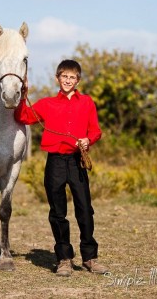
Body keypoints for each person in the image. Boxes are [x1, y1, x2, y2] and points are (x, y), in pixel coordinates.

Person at [14, 59, 109, 277]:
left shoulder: (87, 103)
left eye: (72, 77)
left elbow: (96, 130)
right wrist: (22, 93)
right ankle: (64, 259)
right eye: (64, 76)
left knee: (85, 209)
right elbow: (22, 116)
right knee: (58, 213)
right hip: (55, 162)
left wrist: (88, 140)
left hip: (77, 162)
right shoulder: (46, 104)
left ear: (78, 80)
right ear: (58, 78)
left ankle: (90, 258)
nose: (68, 80)